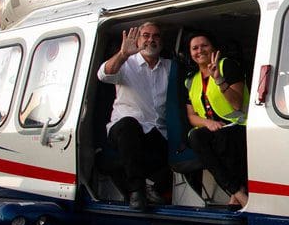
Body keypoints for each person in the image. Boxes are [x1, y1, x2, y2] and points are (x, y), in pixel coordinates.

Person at [97, 22, 171, 211]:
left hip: (156, 133)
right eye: (146, 35)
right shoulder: (126, 63)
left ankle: (152, 191)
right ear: (138, 39)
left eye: (156, 36)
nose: (150, 40)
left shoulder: (170, 68)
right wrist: (123, 54)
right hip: (124, 131)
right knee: (129, 124)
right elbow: (104, 75)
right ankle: (136, 191)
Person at [185, 32, 249, 207]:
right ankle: (237, 191)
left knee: (223, 140)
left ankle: (236, 194)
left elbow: (237, 104)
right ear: (190, 53)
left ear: (213, 47)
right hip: (214, 129)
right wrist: (208, 123)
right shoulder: (191, 80)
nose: (200, 50)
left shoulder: (227, 65)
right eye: (195, 48)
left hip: (238, 126)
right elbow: (191, 116)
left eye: (204, 45)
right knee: (195, 137)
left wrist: (219, 79)